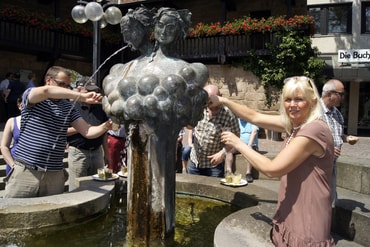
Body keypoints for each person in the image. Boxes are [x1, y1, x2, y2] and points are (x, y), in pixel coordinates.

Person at [210, 76, 335, 246]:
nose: (292, 105)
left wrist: (238, 143)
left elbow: (272, 169)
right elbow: (254, 116)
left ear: (312, 102)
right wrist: (222, 100)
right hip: (292, 209)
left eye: (299, 99)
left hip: (308, 216)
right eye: (288, 99)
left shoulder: (314, 129)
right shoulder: (296, 123)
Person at [3, 66, 112, 198]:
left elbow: (88, 131)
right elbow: (47, 91)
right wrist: (82, 97)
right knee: (15, 214)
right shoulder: (32, 95)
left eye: (67, 86)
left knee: (52, 217)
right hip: (26, 171)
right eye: (61, 84)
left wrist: (107, 125)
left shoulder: (67, 107)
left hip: (55, 174)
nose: (64, 89)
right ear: (48, 80)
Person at [320, 79, 359, 209]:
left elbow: (338, 133)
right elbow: (305, 138)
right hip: (315, 167)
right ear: (330, 94)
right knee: (318, 202)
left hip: (331, 166)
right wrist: (327, 149)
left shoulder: (337, 112)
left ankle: (326, 228)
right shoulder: (314, 112)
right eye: (341, 94)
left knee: (330, 202)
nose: (343, 97)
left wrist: (347, 138)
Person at [67, 78, 110, 191]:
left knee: (98, 185)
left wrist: (107, 153)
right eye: (89, 91)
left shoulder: (100, 108)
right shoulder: (72, 107)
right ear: (80, 90)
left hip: (97, 152)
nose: (93, 94)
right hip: (79, 152)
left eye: (95, 91)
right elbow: (63, 131)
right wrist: (82, 128)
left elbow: (104, 133)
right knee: (77, 188)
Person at [188, 84, 240, 178]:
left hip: (214, 166)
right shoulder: (199, 109)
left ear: (220, 96)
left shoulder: (229, 114)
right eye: (208, 101)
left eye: (212, 101)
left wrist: (223, 153)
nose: (210, 104)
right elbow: (189, 127)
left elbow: (236, 136)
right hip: (195, 162)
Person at [225, 119, 259, 183]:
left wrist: (249, 144)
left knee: (250, 150)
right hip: (239, 144)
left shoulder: (252, 120)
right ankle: (229, 171)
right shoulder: (236, 121)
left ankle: (248, 173)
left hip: (252, 145)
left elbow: (254, 132)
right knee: (229, 149)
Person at [0, 97, 22, 176]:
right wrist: (13, 165)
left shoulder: (42, 123)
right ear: (19, 105)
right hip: (15, 163)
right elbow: (4, 146)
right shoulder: (12, 121)